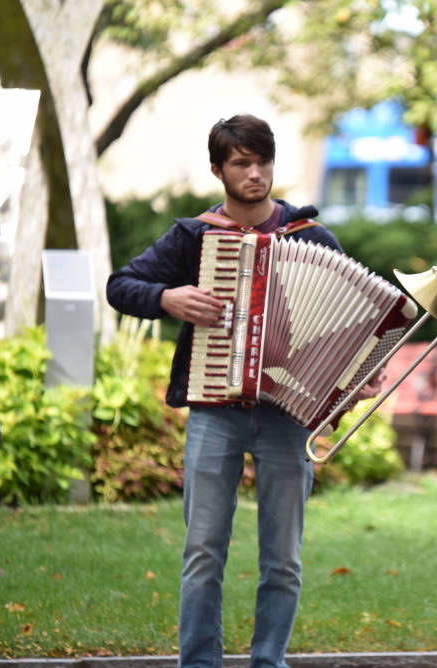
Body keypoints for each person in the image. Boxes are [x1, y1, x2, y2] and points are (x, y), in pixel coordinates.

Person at [107, 114, 367, 668]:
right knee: (203, 551)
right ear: (217, 170)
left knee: (283, 559)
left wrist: (356, 375)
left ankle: (267, 661)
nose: (255, 173)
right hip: (214, 411)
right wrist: (168, 299)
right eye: (242, 163)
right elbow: (120, 285)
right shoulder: (195, 236)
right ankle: (198, 663)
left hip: (288, 415)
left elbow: (352, 322)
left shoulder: (310, 237)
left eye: (263, 161)